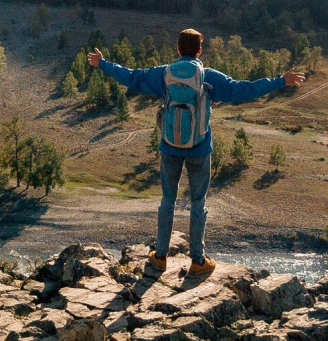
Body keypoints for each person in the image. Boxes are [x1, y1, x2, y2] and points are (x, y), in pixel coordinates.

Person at [89, 28, 305, 273]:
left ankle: (160, 256)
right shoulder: (207, 76)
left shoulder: (165, 74)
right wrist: (280, 81)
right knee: (198, 202)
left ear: (178, 49)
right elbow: (242, 90)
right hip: (200, 148)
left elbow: (132, 77)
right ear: (200, 51)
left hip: (169, 146)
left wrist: (102, 64)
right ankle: (198, 261)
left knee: (167, 200)